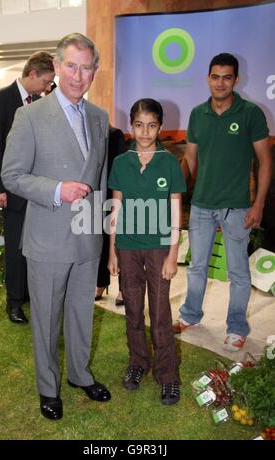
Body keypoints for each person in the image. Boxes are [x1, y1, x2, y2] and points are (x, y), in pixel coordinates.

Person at [1, 33, 111, 421]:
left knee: (82, 312)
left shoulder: (99, 117)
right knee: (46, 321)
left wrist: (103, 230)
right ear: (57, 67)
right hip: (47, 238)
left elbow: (100, 176)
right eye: (71, 66)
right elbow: (11, 175)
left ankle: (80, 374)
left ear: (94, 71)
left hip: (87, 237)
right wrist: (57, 189)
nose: (78, 76)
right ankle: (48, 387)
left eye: (86, 68)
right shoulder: (30, 115)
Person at [173, 53, 272, 351]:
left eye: (226, 77)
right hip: (202, 205)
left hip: (237, 206)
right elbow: (190, 158)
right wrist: (176, 193)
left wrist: (259, 205)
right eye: (215, 77)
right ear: (208, 78)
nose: (220, 83)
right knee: (196, 267)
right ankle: (190, 315)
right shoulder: (197, 114)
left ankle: (237, 327)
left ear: (236, 80)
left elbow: (265, 161)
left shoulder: (251, 113)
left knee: (239, 273)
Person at [108, 98, 186, 405]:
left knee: (160, 311)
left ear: (160, 127)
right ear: (131, 126)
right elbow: (116, 206)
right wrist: (112, 251)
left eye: (151, 125)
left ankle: (168, 376)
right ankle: (138, 363)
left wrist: (172, 253)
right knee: (132, 310)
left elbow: (176, 208)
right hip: (127, 247)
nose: (144, 132)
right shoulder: (120, 163)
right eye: (139, 125)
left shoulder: (169, 162)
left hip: (158, 249)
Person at [0, 51, 55, 324]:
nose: (48, 87)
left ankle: (29, 297)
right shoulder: (1, 99)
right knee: (15, 248)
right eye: (46, 81)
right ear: (33, 74)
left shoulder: (41, 102)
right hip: (11, 190)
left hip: (37, 190)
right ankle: (14, 303)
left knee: (36, 248)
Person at [95, 126, 127, 305]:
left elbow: (120, 166)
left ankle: (123, 289)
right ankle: (100, 283)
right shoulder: (85, 134)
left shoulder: (115, 134)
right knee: (100, 243)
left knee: (119, 242)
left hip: (114, 194)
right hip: (94, 196)